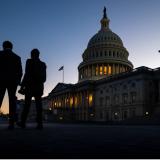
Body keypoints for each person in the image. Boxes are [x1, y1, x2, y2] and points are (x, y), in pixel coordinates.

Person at [18, 49, 46, 129]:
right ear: (38, 55)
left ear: (32, 54)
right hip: (39, 87)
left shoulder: (29, 61)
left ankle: (23, 122)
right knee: (38, 105)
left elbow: (26, 74)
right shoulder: (43, 64)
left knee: (27, 105)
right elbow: (44, 79)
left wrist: (22, 86)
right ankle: (40, 124)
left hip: (29, 87)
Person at [0, 41, 22, 129]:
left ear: (3, 46)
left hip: (0, 80)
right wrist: (18, 81)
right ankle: (11, 123)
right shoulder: (17, 57)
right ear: (12, 47)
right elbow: (20, 72)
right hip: (13, 81)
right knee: (12, 101)